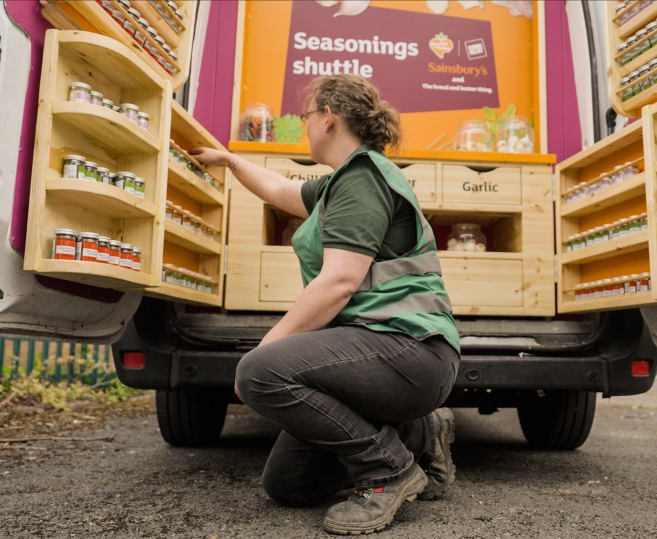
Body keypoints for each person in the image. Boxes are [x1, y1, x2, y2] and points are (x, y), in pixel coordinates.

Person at [189, 74, 461, 535]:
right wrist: (232, 162)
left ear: (328, 117)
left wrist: (265, 349)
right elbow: (280, 191)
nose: (304, 126)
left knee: (261, 371)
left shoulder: (362, 179)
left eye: (305, 117)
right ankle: (421, 434)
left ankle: (387, 469)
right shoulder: (341, 183)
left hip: (408, 349)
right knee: (290, 486)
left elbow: (338, 283)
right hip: (376, 352)